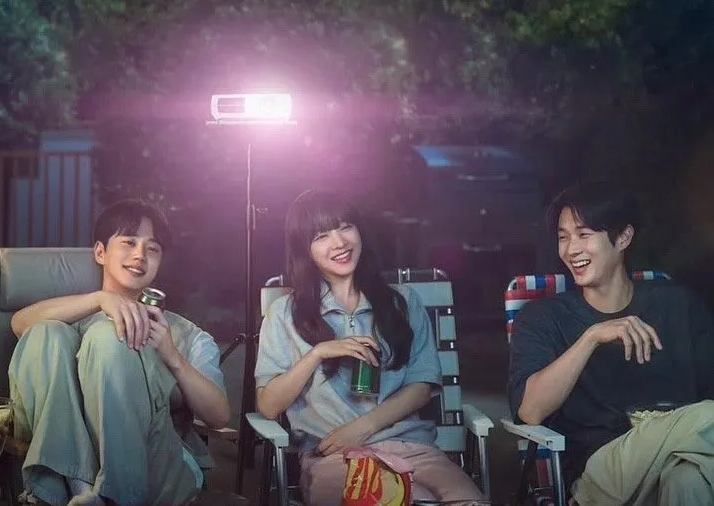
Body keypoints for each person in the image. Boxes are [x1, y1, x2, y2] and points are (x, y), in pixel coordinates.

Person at [254, 190, 485, 506]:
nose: (339, 242)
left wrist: (362, 428)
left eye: (345, 227)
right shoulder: (284, 314)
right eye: (322, 236)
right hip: (335, 458)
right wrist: (317, 354)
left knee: (470, 501)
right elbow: (268, 406)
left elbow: (421, 387)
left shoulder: (402, 302)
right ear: (304, 250)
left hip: (413, 448)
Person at [8, 200, 231, 506]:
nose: (140, 255)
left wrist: (172, 357)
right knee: (45, 332)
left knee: (109, 337)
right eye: (129, 242)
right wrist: (98, 300)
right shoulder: (71, 316)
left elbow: (219, 416)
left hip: (159, 466)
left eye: (152, 249)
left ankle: (101, 493)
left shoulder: (185, 334)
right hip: (76, 469)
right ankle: (80, 486)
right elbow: (19, 324)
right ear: (100, 252)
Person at [508, 180, 714, 504]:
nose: (571, 250)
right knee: (708, 419)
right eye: (563, 237)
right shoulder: (542, 317)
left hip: (677, 462)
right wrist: (591, 337)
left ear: (623, 238)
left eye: (584, 234)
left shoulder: (679, 306)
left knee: (688, 479)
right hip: (600, 473)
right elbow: (530, 411)